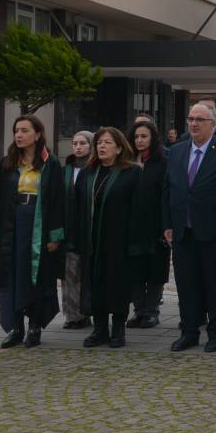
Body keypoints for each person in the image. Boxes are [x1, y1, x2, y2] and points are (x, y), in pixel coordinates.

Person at [163, 102, 216, 353]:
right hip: (183, 231)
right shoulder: (176, 151)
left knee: (215, 285)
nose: (194, 123)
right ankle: (189, 332)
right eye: (190, 119)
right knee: (186, 285)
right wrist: (167, 224)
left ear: (213, 124)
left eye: (199, 120)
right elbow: (167, 190)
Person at [0, 115, 65, 348]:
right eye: (16, 130)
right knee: (10, 274)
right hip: (10, 223)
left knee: (34, 275)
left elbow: (58, 200)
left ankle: (34, 325)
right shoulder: (8, 163)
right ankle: (15, 327)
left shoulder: (51, 163)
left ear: (37, 134)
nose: (19, 135)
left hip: (38, 224)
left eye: (25, 130)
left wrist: (54, 235)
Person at [70, 127, 140, 349]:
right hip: (92, 240)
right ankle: (100, 330)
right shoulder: (88, 173)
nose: (102, 146)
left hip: (118, 240)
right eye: (99, 142)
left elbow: (140, 208)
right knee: (94, 284)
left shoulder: (132, 173)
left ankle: (118, 330)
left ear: (119, 148)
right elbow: (76, 206)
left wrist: (135, 241)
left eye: (107, 142)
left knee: (117, 284)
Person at [127, 119, 169, 329]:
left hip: (155, 226)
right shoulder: (127, 162)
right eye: (136, 137)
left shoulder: (163, 162)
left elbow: (167, 194)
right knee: (134, 271)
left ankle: (151, 312)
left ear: (153, 138)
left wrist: (166, 225)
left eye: (144, 136)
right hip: (132, 226)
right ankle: (139, 311)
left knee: (154, 270)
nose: (140, 140)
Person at [60, 131, 94, 330]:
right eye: (75, 143)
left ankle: (88, 311)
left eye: (83, 143)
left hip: (88, 230)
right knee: (69, 273)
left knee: (86, 273)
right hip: (68, 230)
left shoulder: (95, 169)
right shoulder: (66, 170)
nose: (78, 147)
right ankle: (73, 315)